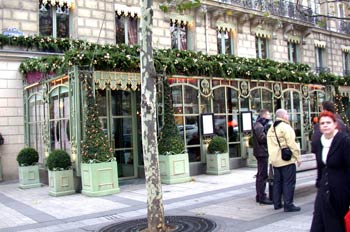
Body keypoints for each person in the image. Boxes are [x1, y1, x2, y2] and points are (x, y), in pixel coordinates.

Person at [310, 111, 350, 232]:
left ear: (335, 124)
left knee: (337, 224)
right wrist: (319, 182)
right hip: (324, 189)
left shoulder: (344, 141)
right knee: (318, 223)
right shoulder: (318, 142)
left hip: (341, 190)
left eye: (328, 122)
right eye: (322, 123)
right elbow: (321, 166)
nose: (325, 125)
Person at [267, 109, 302, 212]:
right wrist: (297, 157)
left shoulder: (271, 128)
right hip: (286, 159)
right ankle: (288, 204)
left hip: (275, 160)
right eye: (287, 114)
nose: (288, 115)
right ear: (283, 116)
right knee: (288, 182)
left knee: (277, 182)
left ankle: (277, 203)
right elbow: (292, 143)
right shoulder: (286, 127)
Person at [252, 109, 273, 205]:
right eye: (268, 115)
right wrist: (270, 135)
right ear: (264, 115)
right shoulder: (259, 125)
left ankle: (259, 195)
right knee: (262, 175)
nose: (269, 117)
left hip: (261, 152)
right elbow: (262, 138)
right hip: (262, 153)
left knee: (261, 174)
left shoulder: (259, 125)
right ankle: (261, 196)